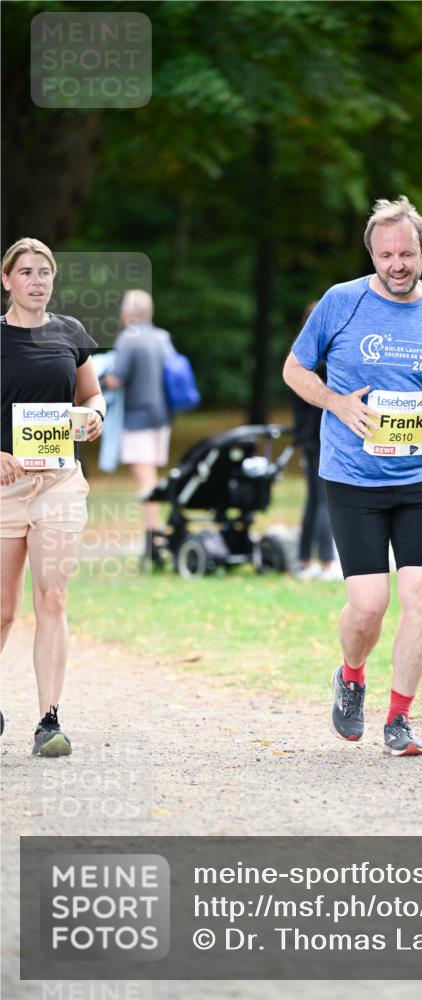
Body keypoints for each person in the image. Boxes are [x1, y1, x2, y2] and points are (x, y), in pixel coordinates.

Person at [283, 196, 422, 756]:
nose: (397, 264)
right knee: (369, 606)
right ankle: (351, 676)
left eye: (407, 254)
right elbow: (294, 368)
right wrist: (336, 404)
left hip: (420, 476)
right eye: (386, 254)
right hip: (352, 477)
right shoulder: (340, 303)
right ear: (372, 252)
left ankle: (400, 719)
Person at [0, 237, 104, 755]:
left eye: (45, 272)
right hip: (3, 489)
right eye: (26, 272)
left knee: (53, 597)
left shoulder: (71, 333)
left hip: (60, 480)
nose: (37, 280)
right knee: (2, 610)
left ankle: (48, 721)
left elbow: (90, 394)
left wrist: (97, 416)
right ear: (6, 280)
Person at [104, 290, 172, 568]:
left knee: (146, 482)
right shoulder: (163, 338)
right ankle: (154, 536)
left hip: (137, 418)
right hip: (162, 418)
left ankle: (153, 539)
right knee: (152, 477)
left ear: (129, 313)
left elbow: (116, 380)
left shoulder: (128, 338)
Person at [291, 302, 339, 581]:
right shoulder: (320, 362)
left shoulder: (299, 357)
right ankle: (326, 561)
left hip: (308, 437)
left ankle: (304, 559)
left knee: (313, 499)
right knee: (323, 499)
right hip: (320, 436)